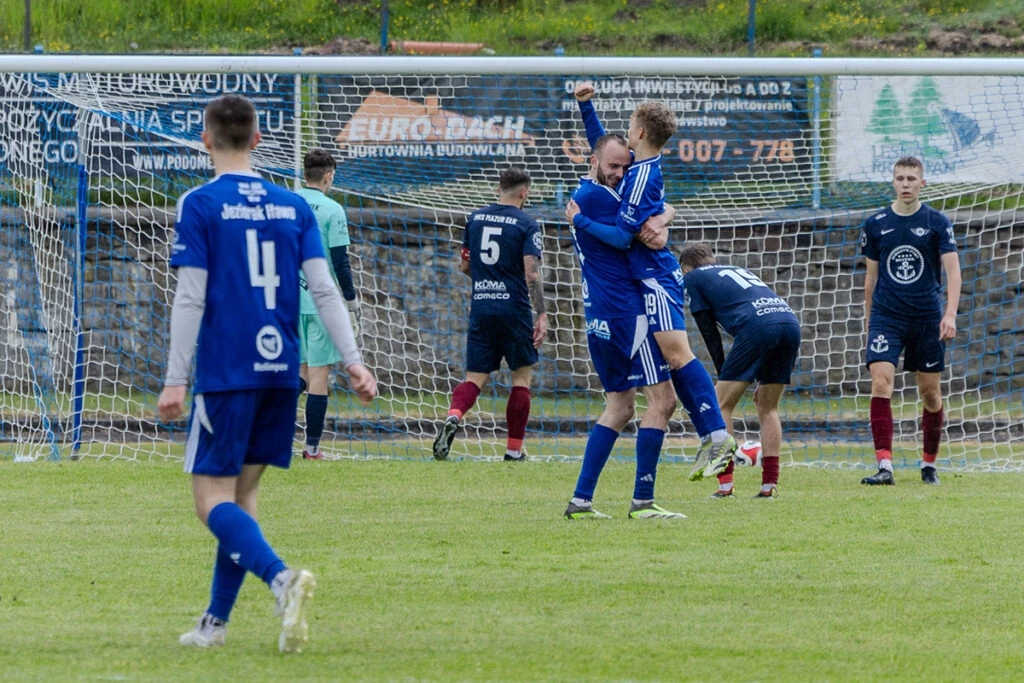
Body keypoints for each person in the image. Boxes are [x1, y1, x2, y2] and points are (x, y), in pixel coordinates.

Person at [157, 94, 377, 653]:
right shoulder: (292, 206)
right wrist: (352, 360)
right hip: (282, 372)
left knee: (211, 502)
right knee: (242, 499)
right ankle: (214, 624)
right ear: (258, 140)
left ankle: (281, 579)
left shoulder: (200, 203)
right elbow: (324, 289)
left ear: (205, 140)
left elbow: (190, 297)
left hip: (228, 372)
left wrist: (175, 377)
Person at [566, 82, 737, 481]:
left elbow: (623, 238)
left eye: (629, 126)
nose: (625, 133)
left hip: (655, 276)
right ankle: (712, 435)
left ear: (640, 132)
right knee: (668, 374)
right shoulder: (636, 167)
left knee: (678, 356)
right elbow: (604, 147)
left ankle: (717, 435)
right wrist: (586, 106)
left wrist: (579, 220)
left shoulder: (639, 176)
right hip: (645, 279)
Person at [562, 131, 686, 520]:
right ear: (593, 162)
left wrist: (586, 106)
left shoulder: (587, 190)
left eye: (624, 167)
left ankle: (581, 501)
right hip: (626, 315)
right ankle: (643, 502)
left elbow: (603, 141)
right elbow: (629, 235)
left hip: (600, 314)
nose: (619, 173)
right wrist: (664, 216)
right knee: (663, 401)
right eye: (613, 166)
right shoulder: (599, 198)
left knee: (619, 407)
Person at [431, 167, 548, 462]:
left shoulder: (475, 219)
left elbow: (465, 266)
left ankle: (454, 415)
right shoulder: (527, 223)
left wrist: (488, 282)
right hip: (514, 308)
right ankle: (513, 451)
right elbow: (531, 273)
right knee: (521, 378)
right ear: (524, 192)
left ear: (499, 188)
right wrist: (542, 313)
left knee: (474, 377)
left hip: (482, 306)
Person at [859, 156, 961, 486]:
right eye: (900, 178)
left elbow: (953, 271)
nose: (906, 184)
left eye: (911, 179)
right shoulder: (875, 223)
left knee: (930, 393)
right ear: (893, 182)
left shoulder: (937, 222)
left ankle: (928, 465)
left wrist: (949, 314)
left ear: (922, 183)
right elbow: (871, 278)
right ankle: (885, 466)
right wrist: (870, 321)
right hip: (887, 317)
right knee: (881, 382)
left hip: (926, 317)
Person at [679, 243, 802, 499]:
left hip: (758, 327)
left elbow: (709, 332)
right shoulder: (734, 269)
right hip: (789, 322)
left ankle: (725, 486)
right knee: (768, 407)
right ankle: (769, 486)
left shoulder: (692, 278)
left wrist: (723, 372)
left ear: (685, 269)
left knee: (719, 404)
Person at [295, 148, 361, 460]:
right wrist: (351, 301)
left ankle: (261, 432)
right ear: (329, 175)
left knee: (299, 375)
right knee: (318, 377)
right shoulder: (333, 210)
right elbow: (340, 262)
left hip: (288, 301)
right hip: (320, 303)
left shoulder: (288, 203)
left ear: (304, 173)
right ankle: (311, 449)